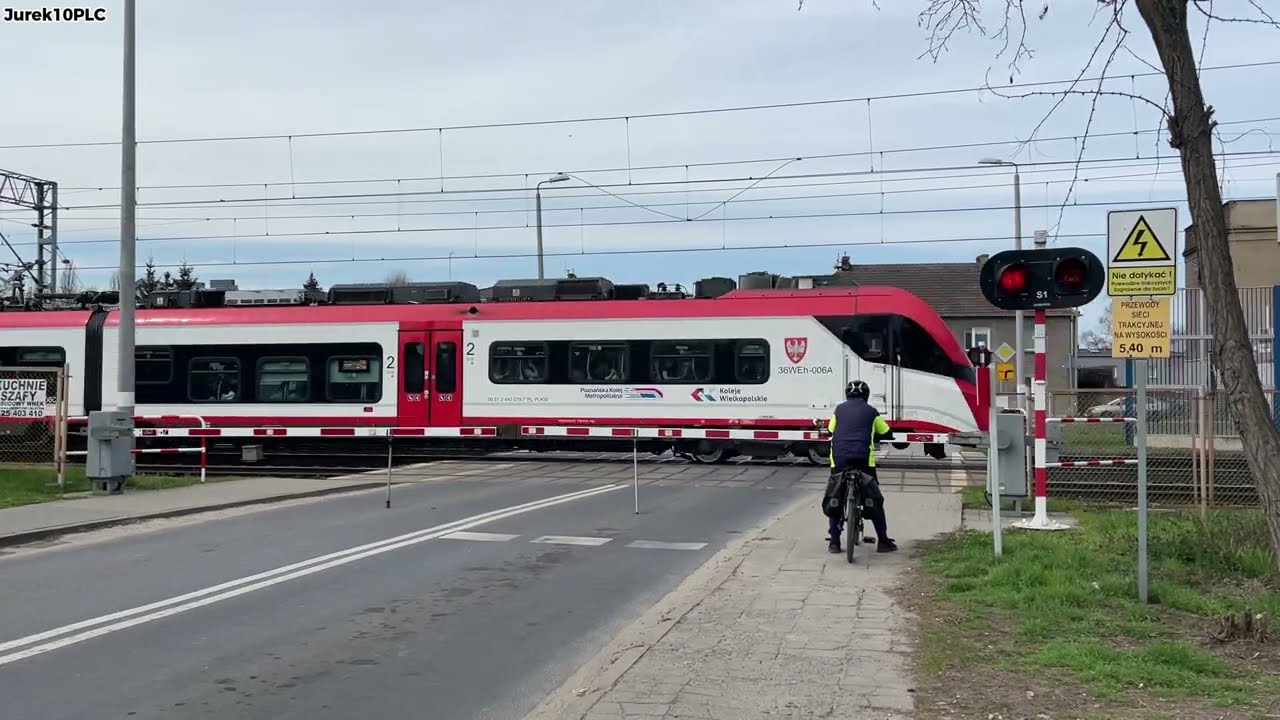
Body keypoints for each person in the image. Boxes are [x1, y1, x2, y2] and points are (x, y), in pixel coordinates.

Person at [821, 380, 897, 554]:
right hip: (864, 461)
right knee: (875, 499)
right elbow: (886, 432)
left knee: (836, 496)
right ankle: (883, 541)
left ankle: (834, 542)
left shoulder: (839, 410)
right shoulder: (872, 411)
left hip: (839, 460)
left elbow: (831, 430)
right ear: (866, 395)